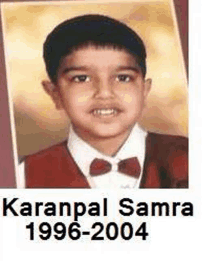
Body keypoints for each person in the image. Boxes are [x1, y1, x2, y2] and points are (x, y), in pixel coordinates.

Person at [18, 14, 188, 189]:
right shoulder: (25, 176)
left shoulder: (191, 158)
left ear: (144, 90)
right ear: (55, 94)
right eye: (81, 78)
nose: (105, 93)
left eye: (123, 78)